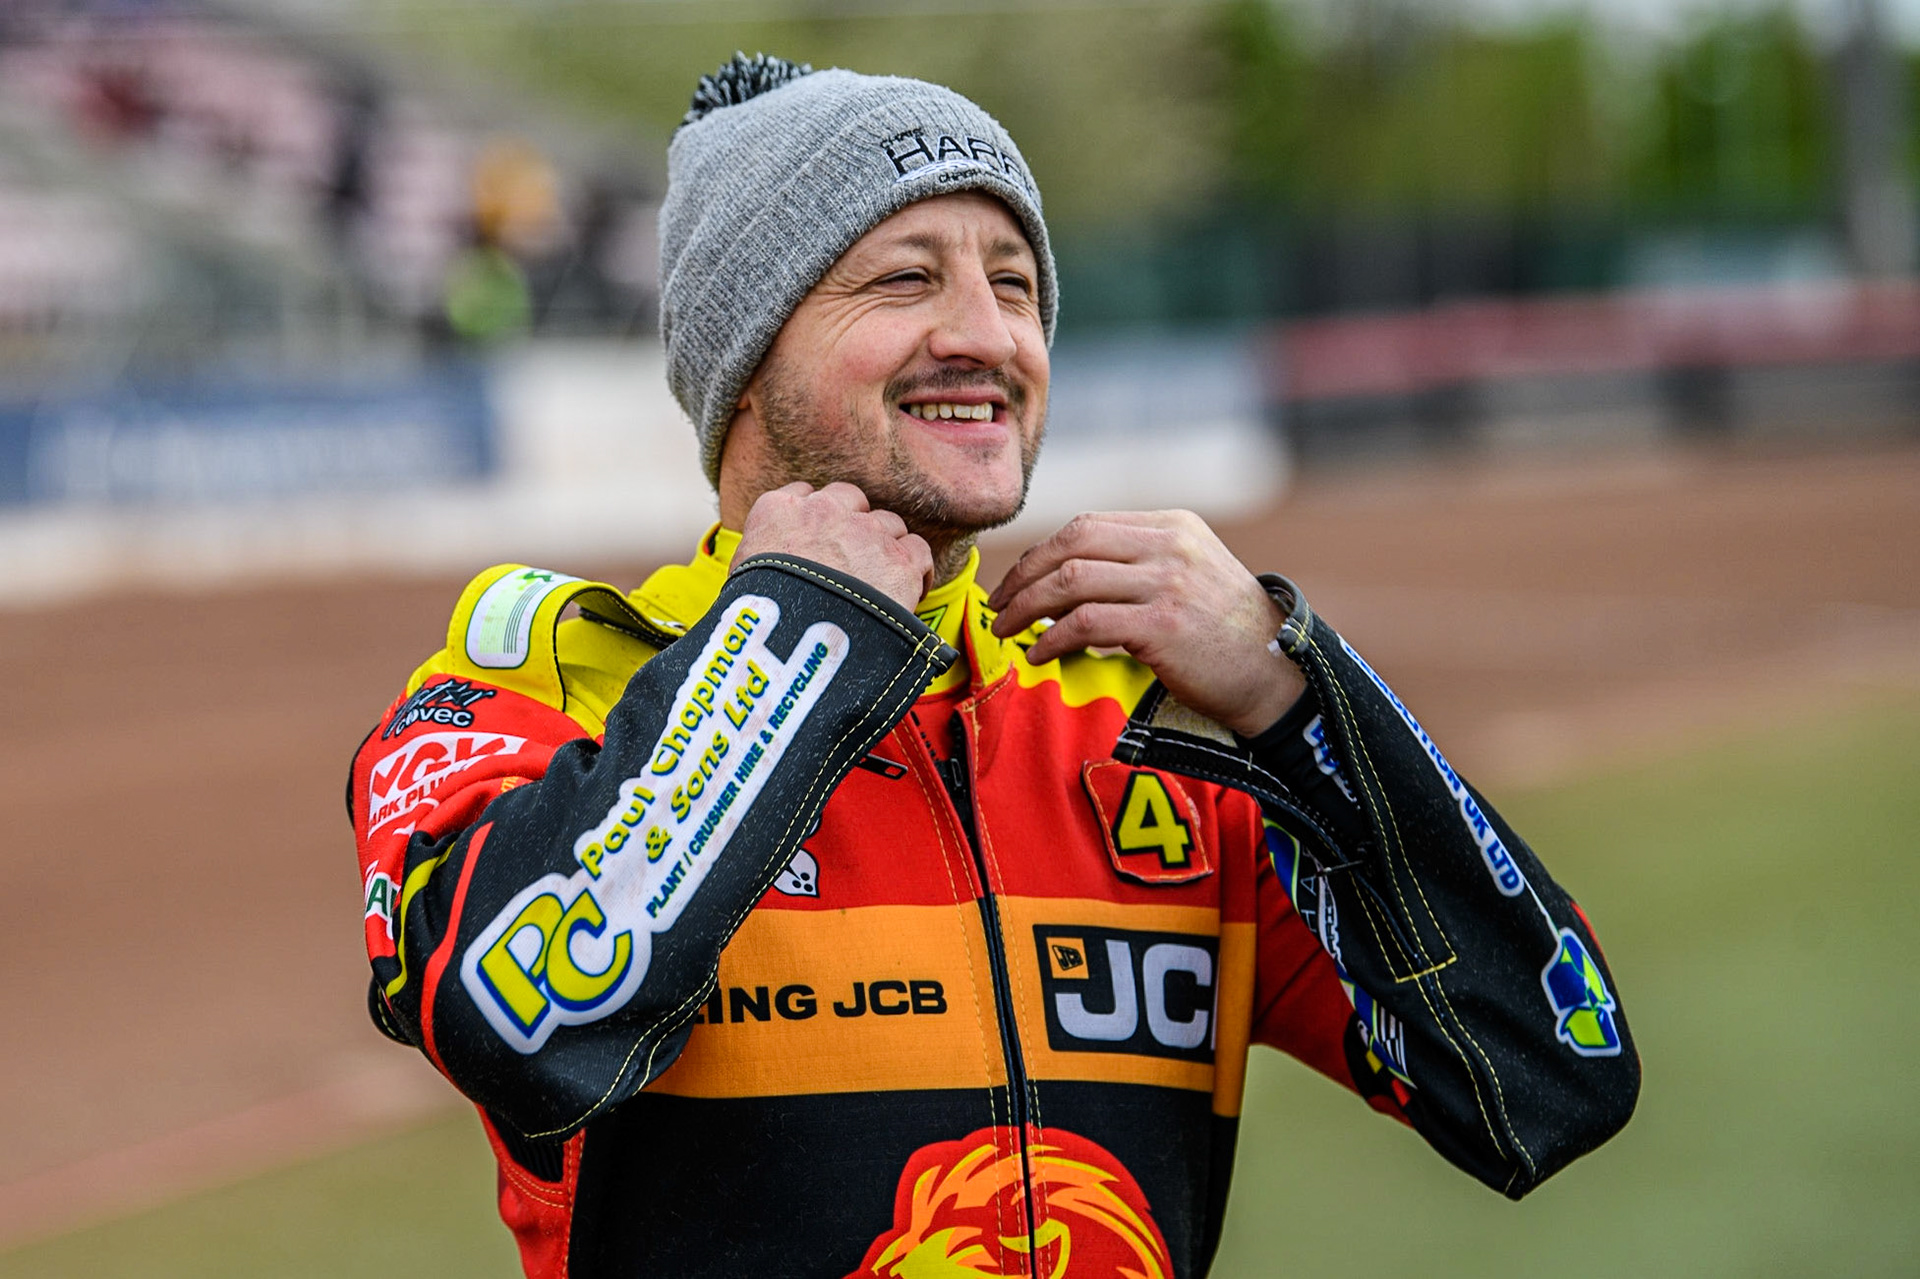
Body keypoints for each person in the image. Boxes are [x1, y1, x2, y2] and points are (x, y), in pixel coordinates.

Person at [348, 54, 1638, 1279]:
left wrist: (1296, 694)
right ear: (746, 360)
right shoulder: (546, 683)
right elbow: (516, 1024)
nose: (987, 334)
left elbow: (1551, 1074)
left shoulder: (1148, 729)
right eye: (905, 278)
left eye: (1015, 285)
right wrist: (789, 641)